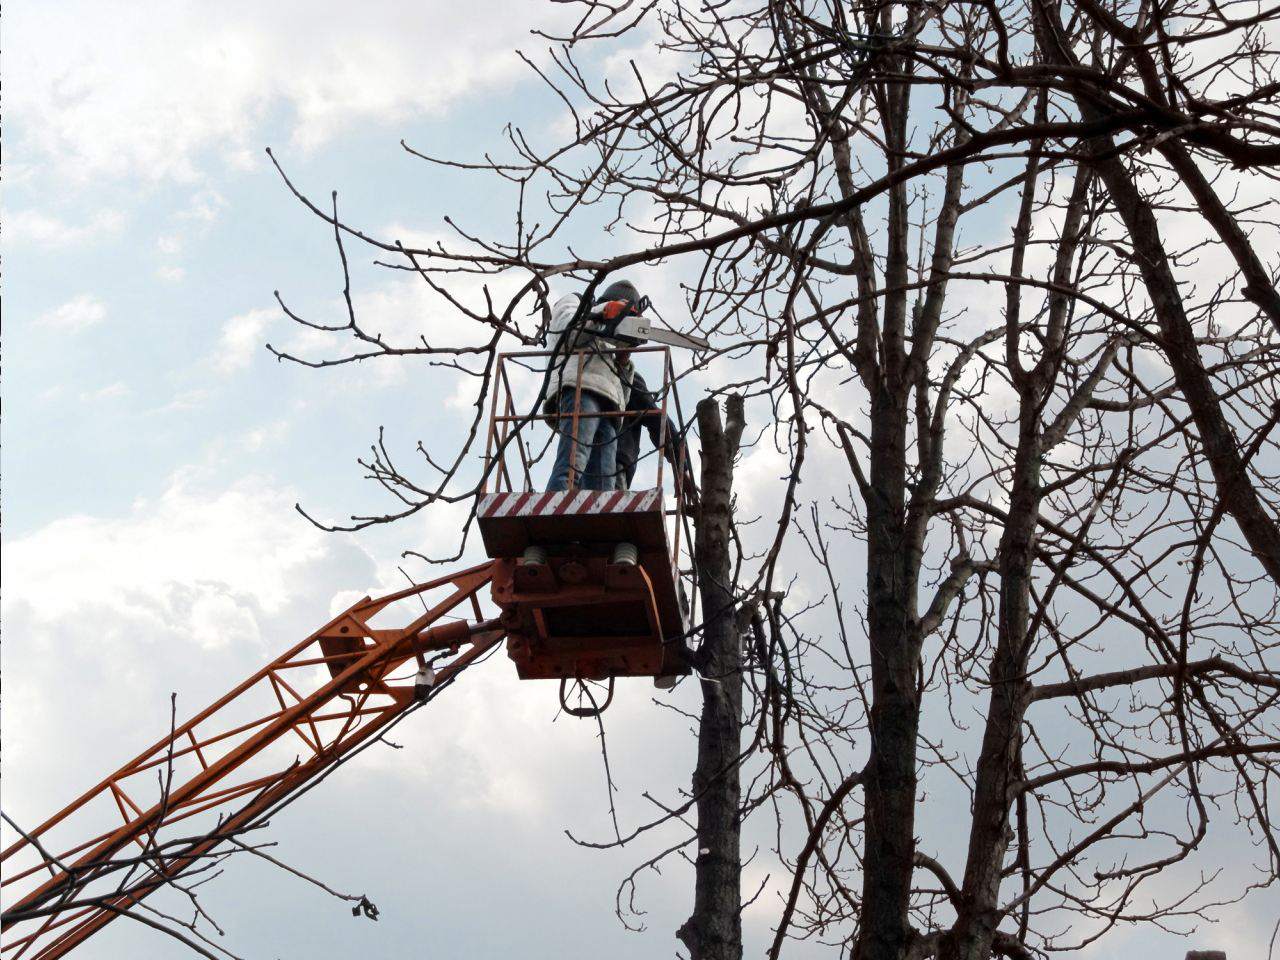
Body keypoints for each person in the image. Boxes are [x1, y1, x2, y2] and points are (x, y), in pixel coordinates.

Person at [542, 280, 641, 491]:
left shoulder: (608, 341)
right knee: (572, 464)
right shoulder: (575, 303)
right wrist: (603, 312)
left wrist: (623, 360)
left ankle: (600, 509)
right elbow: (567, 333)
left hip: (610, 406)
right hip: (580, 389)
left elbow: (623, 397)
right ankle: (557, 501)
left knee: (604, 481)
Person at [615, 369, 697, 501]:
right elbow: (657, 419)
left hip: (610, 463)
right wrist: (681, 468)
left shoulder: (623, 374)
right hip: (614, 464)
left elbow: (657, 420)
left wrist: (681, 467)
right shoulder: (622, 373)